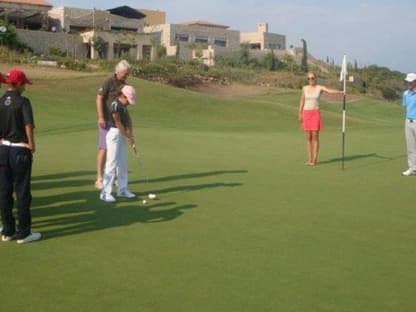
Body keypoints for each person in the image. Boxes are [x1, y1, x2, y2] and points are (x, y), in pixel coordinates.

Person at [0, 69, 41, 243]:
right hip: (19, 150)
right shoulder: (23, 102)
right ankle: (23, 233)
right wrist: (31, 144)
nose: (25, 87)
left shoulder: (1, 101)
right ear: (17, 84)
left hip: (3, 150)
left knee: (4, 191)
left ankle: (7, 230)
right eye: (23, 84)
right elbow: (28, 124)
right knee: (22, 191)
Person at [95, 60, 132, 189]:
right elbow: (99, 98)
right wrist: (100, 117)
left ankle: (115, 177)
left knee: (116, 151)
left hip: (117, 122)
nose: (126, 76)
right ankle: (99, 178)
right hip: (106, 120)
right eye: (125, 74)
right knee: (104, 148)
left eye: (128, 74)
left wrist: (127, 125)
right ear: (118, 72)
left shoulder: (124, 85)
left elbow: (124, 106)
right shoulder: (108, 81)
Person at [100, 85, 137, 203]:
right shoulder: (115, 105)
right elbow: (118, 122)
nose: (129, 103)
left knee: (122, 163)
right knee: (111, 163)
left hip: (122, 134)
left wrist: (130, 133)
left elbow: (128, 119)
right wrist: (127, 136)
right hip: (114, 134)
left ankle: (122, 189)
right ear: (123, 95)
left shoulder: (124, 106)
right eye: (128, 100)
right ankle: (105, 193)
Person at [298, 72, 343, 166]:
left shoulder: (319, 88)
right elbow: (302, 100)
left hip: (315, 113)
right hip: (306, 113)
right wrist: (300, 113)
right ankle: (309, 159)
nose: (311, 80)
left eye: (312, 78)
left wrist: (340, 92)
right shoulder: (304, 88)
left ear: (316, 78)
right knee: (308, 137)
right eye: (309, 78)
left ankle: (314, 160)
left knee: (315, 136)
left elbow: (329, 91)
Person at [401, 73, 416, 176]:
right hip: (408, 121)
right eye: (408, 81)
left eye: (411, 81)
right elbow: (405, 105)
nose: (409, 83)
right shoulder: (405, 93)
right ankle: (412, 168)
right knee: (410, 147)